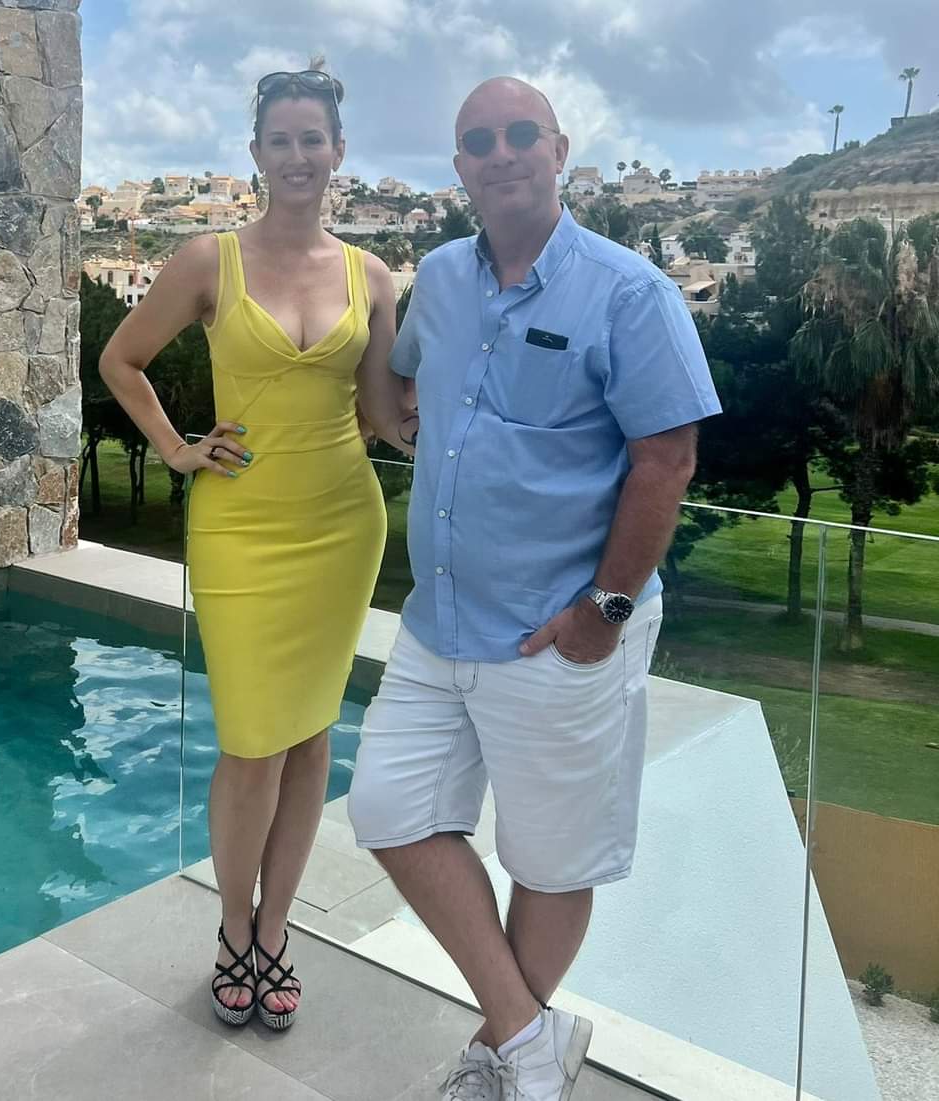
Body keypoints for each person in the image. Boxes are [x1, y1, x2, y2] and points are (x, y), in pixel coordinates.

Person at [347, 77, 721, 1100]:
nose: (501, 152)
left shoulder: (629, 292)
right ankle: (528, 1039)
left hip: (560, 632)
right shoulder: (440, 277)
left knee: (550, 863)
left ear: (558, 151)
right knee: (386, 808)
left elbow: (668, 460)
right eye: (479, 141)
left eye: (521, 134)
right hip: (439, 621)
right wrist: (394, 368)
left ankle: (500, 1053)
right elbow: (408, 383)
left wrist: (605, 610)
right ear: (459, 168)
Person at [98, 62, 412, 1032]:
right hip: (239, 528)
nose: (298, 155)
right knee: (248, 746)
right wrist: (175, 449)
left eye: (313, 138)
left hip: (341, 526)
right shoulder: (208, 260)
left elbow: (382, 413)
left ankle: (277, 929)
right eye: (281, 139)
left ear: (339, 151)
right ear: (256, 154)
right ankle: (233, 927)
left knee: (311, 737)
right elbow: (120, 359)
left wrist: (476, 418)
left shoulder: (372, 276)